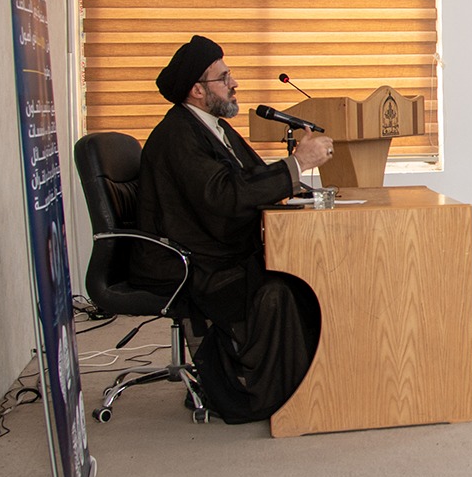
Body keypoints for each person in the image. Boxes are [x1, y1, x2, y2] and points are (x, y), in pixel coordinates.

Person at [133, 35, 334, 423]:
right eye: (224, 77)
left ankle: (313, 383)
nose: (234, 82)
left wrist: (298, 186)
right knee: (287, 289)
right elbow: (224, 196)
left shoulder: (213, 128)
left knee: (310, 276)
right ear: (197, 90)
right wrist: (296, 165)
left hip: (219, 250)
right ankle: (273, 396)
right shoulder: (178, 134)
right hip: (196, 263)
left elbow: (250, 177)